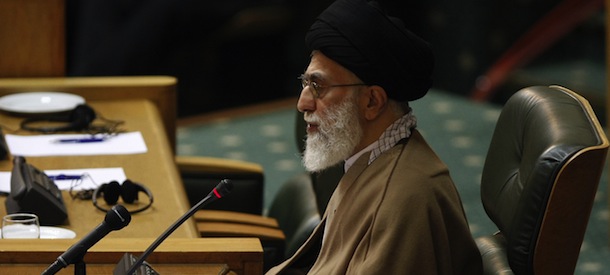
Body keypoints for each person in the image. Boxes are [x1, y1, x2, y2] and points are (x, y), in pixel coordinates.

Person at [265, 0, 483, 274]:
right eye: (305, 83)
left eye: (318, 86)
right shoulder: (368, 157)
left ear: (372, 101)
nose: (303, 102)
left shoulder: (406, 201)